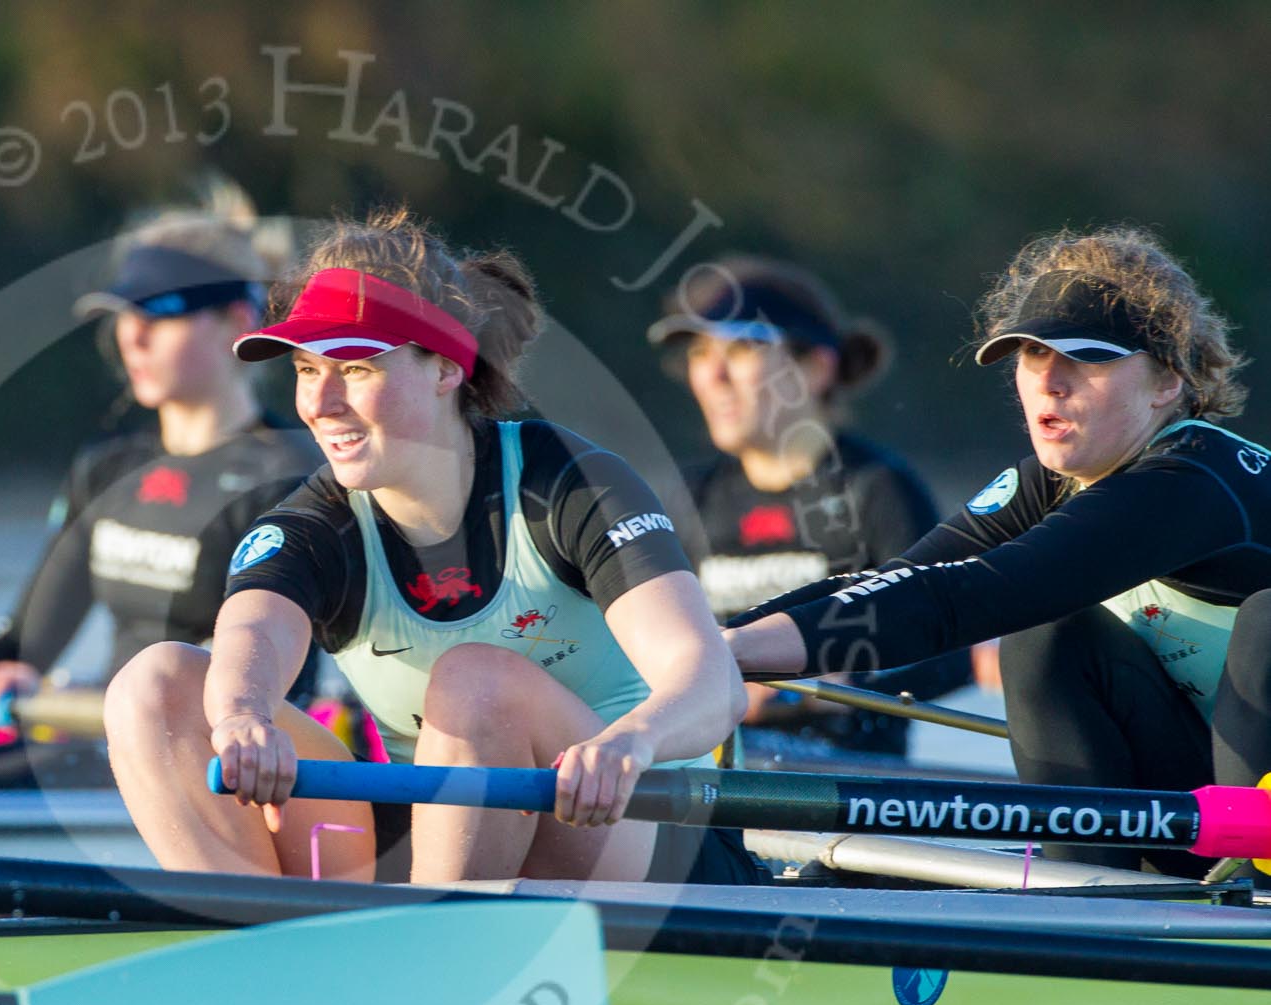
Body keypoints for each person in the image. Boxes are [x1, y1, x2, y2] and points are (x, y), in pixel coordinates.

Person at [104, 209, 752, 887]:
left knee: (476, 682)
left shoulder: (567, 484)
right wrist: (242, 716)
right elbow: (253, 634)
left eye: (353, 368)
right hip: (452, 832)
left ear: (444, 366)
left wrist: (629, 743)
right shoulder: (316, 523)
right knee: (155, 687)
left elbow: (711, 684)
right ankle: (255, 951)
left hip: (650, 841)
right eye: (304, 368)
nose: (320, 403)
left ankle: (427, 956)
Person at [724, 225, 1257, 874]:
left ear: (1166, 382)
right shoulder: (1052, 482)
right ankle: (1089, 894)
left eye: (1084, 357)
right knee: (1046, 638)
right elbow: (897, 583)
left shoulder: (1193, 479)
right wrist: (713, 643)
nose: (1050, 382)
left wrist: (733, 657)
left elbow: (968, 598)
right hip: (1206, 810)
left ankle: (1226, 897)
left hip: (1253, 839)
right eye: (1031, 355)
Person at [0, 182, 320, 790]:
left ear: (237, 321)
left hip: (208, 756)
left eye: (159, 312)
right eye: (125, 316)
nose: (132, 337)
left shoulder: (291, 477)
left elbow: (291, 685)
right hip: (101, 735)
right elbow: (22, 650)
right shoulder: (107, 471)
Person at [653, 257, 971, 759]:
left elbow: (952, 649)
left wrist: (799, 688)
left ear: (816, 367)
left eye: (742, 347)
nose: (713, 374)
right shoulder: (691, 496)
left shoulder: (876, 489)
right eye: (699, 351)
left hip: (847, 792)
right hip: (725, 780)